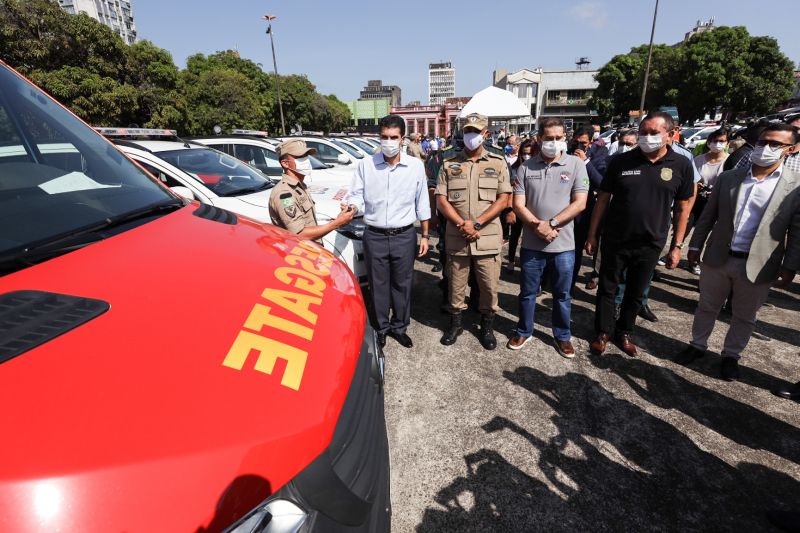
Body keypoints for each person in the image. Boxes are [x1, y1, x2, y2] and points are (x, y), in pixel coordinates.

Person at [674, 123, 800, 381]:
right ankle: (697, 345)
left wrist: (790, 266)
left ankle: (731, 356)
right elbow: (709, 216)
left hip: (759, 264)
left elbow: (796, 230)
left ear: (791, 149)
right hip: (719, 256)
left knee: (744, 316)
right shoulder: (730, 178)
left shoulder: (795, 187)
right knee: (707, 305)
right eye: (764, 141)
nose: (766, 148)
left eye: (775, 144)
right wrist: (695, 246)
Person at [585, 112, 695, 357]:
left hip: (651, 241)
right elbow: (602, 199)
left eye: (654, 133)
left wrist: (677, 246)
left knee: (636, 292)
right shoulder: (621, 161)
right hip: (615, 238)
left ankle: (624, 332)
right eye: (643, 132)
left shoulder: (681, 165)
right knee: (607, 288)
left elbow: (683, 207)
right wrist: (592, 235)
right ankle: (602, 332)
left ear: (670, 134)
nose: (647, 137)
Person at [346, 115, 431, 349]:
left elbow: (422, 201)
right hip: (375, 235)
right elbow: (355, 194)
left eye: (393, 137)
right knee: (378, 284)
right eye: (384, 137)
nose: (388, 142)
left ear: (402, 139)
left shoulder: (415, 167)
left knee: (402, 284)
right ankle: (382, 327)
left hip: (404, 235)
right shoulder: (366, 165)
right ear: (379, 137)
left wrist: (424, 235)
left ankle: (399, 327)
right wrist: (352, 206)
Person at [507, 119, 588, 357]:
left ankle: (562, 335)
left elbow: (580, 202)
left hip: (563, 245)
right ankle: (524, 330)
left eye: (558, 137)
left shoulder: (575, 165)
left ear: (564, 137)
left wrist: (551, 224)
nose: (554, 142)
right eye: (549, 138)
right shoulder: (526, 167)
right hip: (533, 244)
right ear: (540, 139)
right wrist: (537, 226)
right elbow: (518, 204)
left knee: (562, 294)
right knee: (528, 292)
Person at [436, 113, 512, 350]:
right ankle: (456, 323)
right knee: (455, 284)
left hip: (486, 236)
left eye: (476, 132)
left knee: (489, 286)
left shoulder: (498, 163)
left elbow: (503, 199)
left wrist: (476, 223)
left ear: (486, 134)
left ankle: (486, 326)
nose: (471, 136)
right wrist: (462, 224)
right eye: (468, 131)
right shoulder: (449, 163)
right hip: (457, 236)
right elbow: (441, 199)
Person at [269, 138, 355, 240]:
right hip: (298, 253)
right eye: (300, 157)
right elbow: (300, 234)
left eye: (306, 156)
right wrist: (336, 223)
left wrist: (338, 219)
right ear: (285, 163)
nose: (305, 160)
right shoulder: (284, 193)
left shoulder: (299, 186)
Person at [687, 128, 730, 274]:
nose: (717, 144)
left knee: (706, 232)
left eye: (721, 141)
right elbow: (691, 178)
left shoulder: (729, 162)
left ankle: (698, 260)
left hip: (715, 202)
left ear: (727, 143)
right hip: (696, 200)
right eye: (714, 141)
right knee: (686, 226)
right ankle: (675, 251)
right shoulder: (699, 160)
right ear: (709, 142)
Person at [505, 139, 533, 272]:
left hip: (532, 208)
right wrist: (511, 210)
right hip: (517, 207)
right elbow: (510, 189)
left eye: (530, 153)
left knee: (529, 237)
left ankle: (526, 263)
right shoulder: (515, 168)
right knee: (514, 235)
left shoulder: (537, 167)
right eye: (524, 153)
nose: (527, 156)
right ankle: (511, 259)